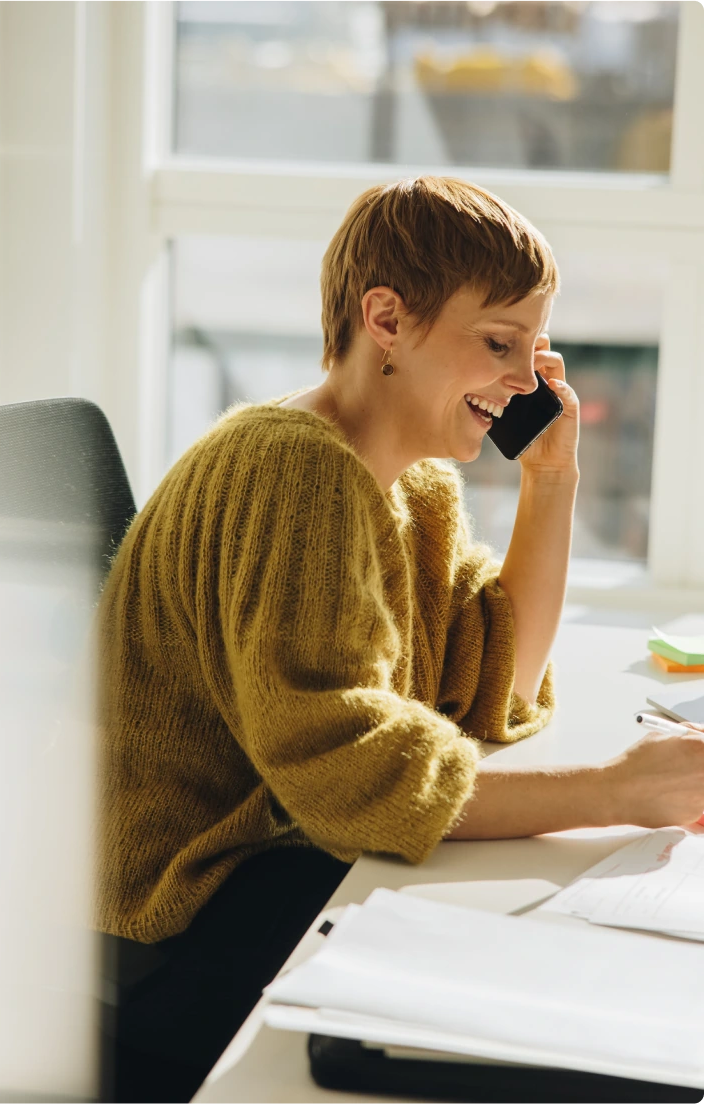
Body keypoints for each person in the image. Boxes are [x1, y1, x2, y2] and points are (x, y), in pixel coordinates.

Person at [96, 176, 704, 1103]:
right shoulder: (290, 469)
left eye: (532, 351)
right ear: (386, 317)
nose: (521, 379)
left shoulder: (408, 487)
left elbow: (492, 684)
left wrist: (551, 480)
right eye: (498, 344)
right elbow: (351, 776)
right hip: (183, 924)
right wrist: (621, 789)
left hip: (286, 863)